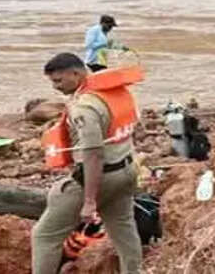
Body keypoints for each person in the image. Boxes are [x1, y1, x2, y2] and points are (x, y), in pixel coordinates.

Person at [33, 53, 142, 274]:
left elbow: (94, 154)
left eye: (58, 81)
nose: (55, 87)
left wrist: (90, 201)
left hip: (99, 178)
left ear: (75, 74)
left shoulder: (85, 107)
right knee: (124, 230)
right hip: (127, 170)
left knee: (44, 236)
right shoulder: (115, 92)